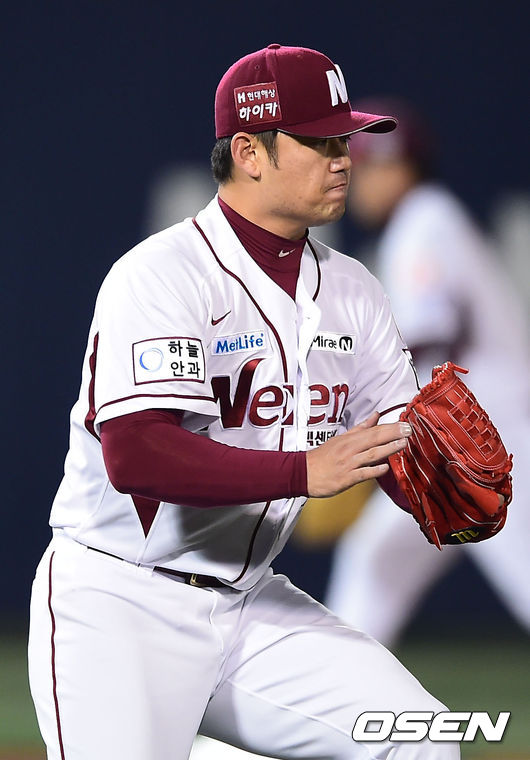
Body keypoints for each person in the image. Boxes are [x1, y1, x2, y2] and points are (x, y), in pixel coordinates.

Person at [28, 45, 462, 760]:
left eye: (346, 140)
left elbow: (396, 439)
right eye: (321, 141)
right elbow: (136, 454)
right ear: (249, 153)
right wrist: (304, 471)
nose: (345, 158)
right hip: (117, 603)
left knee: (420, 740)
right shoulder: (161, 275)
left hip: (249, 604)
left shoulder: (354, 289)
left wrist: (443, 488)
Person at [325, 97, 530, 647]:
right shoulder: (419, 222)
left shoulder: (425, 220)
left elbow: (427, 332)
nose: (354, 183)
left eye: (365, 168)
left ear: (399, 168)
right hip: (455, 437)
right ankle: (341, 684)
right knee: (375, 560)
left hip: (495, 433)